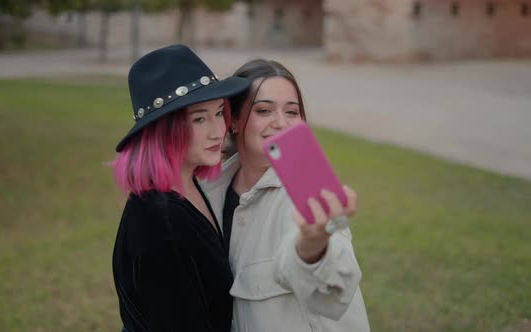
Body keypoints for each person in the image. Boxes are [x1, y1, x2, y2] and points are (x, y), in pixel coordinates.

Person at [202, 59, 370, 331]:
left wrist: (312, 248)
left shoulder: (309, 188)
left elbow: (335, 292)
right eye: (264, 110)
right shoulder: (208, 191)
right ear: (233, 120)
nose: (281, 123)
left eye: (292, 112)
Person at [111, 44, 250, 332]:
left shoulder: (187, 186)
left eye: (218, 113)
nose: (217, 130)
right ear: (165, 129)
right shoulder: (160, 219)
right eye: (199, 118)